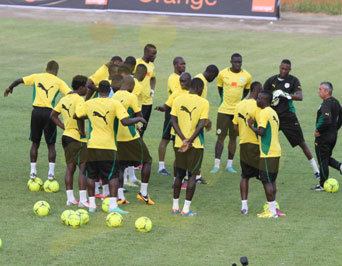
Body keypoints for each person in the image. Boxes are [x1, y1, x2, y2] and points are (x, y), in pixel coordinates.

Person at [75, 80, 146, 213]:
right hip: (108, 146)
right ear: (109, 90)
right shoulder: (115, 103)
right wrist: (139, 119)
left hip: (92, 145)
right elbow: (125, 122)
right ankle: (113, 205)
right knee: (113, 175)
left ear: (98, 90)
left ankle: (91, 205)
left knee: (91, 175)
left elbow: (76, 115)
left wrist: (82, 130)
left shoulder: (89, 103)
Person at [4, 60, 71, 181]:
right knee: (51, 145)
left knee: (35, 143)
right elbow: (70, 94)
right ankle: (51, 174)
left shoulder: (36, 76)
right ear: (57, 71)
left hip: (36, 113)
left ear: (46, 68)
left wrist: (10, 88)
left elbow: (19, 80)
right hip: (50, 114)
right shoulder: (59, 82)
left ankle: (32, 172)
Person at [264, 59, 320, 179]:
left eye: (286, 69)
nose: (283, 71)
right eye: (282, 68)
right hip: (273, 116)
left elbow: (300, 96)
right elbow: (263, 97)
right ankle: (260, 168)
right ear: (279, 67)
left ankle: (316, 170)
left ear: (289, 70)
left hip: (288, 117)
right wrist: (272, 98)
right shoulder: (271, 81)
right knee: (265, 139)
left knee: (301, 142)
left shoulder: (293, 80)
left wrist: (285, 94)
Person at [112, 76, 155, 205]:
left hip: (117, 138)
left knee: (120, 167)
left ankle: (120, 197)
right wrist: (140, 127)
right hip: (130, 137)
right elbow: (139, 116)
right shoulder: (132, 97)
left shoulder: (113, 97)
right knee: (147, 161)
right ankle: (143, 193)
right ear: (131, 86)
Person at [170, 77, 209, 216]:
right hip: (196, 145)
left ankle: (175, 207)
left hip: (179, 143)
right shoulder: (204, 102)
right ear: (198, 88)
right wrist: (190, 140)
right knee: (192, 176)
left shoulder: (178, 99)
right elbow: (202, 123)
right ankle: (186, 209)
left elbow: (173, 120)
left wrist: (182, 139)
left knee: (179, 175)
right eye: (202, 88)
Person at [50, 75, 89, 207]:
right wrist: (82, 131)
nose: (87, 90)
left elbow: (53, 115)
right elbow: (79, 116)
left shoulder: (64, 98)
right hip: (76, 137)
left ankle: (70, 199)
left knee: (70, 167)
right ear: (81, 87)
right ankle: (83, 200)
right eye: (86, 87)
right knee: (83, 167)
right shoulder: (79, 100)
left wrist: (64, 127)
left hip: (66, 136)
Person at [211, 53, 252, 174]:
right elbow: (220, 89)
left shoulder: (247, 76)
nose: (238, 64)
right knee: (220, 137)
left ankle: (229, 164)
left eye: (240, 62)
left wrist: (237, 104)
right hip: (223, 111)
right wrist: (226, 102)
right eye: (235, 62)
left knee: (234, 138)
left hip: (237, 112)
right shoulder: (223, 74)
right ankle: (216, 165)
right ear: (231, 62)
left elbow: (246, 92)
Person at [248, 91, 282, 218]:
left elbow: (261, 132)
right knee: (272, 180)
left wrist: (250, 126)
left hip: (268, 153)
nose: (257, 100)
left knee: (266, 181)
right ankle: (272, 208)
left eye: (259, 98)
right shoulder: (273, 112)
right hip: (276, 151)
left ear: (264, 100)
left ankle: (272, 211)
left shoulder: (264, 112)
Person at [156, 72, 192, 189]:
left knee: (187, 155)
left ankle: (182, 177)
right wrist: (161, 108)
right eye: (180, 81)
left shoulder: (194, 94)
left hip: (190, 130)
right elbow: (166, 105)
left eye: (184, 81)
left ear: (189, 81)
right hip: (178, 131)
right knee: (179, 155)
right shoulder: (176, 93)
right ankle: (177, 181)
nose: (182, 83)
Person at [232, 81, 262, 215]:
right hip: (257, 145)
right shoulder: (258, 106)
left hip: (243, 144)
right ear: (257, 91)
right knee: (266, 176)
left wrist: (242, 133)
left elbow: (235, 126)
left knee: (245, 176)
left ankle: (244, 206)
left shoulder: (239, 105)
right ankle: (271, 205)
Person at [311, 82, 342, 191]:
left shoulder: (326, 104)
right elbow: (341, 117)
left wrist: (318, 130)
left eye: (320, 89)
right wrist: (335, 129)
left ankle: (322, 184)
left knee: (322, 160)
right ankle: (340, 166)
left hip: (323, 137)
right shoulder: (336, 102)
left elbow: (327, 120)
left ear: (326, 91)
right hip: (333, 136)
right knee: (326, 157)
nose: (318, 91)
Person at [158, 57, 186, 175]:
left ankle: (180, 165)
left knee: (178, 139)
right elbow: (176, 95)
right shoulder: (173, 78)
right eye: (181, 64)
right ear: (175, 65)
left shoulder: (182, 77)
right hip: (171, 112)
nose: (184, 66)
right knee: (166, 138)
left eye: (184, 64)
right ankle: (161, 166)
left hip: (181, 112)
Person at [134, 44, 157, 138]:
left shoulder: (152, 66)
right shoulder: (137, 63)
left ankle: (139, 147)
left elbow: (153, 78)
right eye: (153, 54)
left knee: (143, 126)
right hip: (137, 101)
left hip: (148, 101)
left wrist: (152, 89)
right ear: (146, 52)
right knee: (136, 127)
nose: (155, 56)